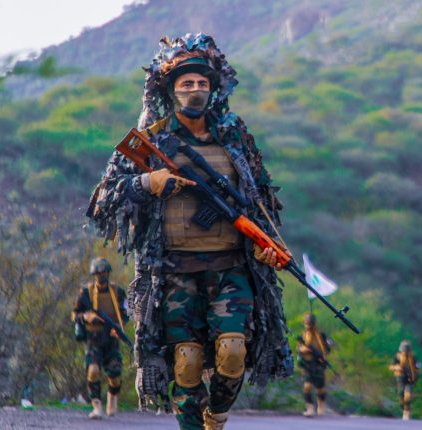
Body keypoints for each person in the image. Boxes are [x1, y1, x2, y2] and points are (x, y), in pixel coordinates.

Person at [86, 33, 292, 430]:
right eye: (186, 83)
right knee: (187, 362)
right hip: (174, 272)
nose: (195, 89)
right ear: (171, 90)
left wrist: (266, 246)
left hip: (230, 267)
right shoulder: (150, 141)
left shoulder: (234, 139)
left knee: (233, 353)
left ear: (213, 89)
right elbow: (102, 201)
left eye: (202, 83)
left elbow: (260, 201)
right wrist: (147, 183)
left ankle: (217, 415)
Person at [71, 258, 128, 419]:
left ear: (108, 273)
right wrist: (86, 317)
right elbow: (75, 314)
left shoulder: (118, 292)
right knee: (93, 370)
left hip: (111, 338)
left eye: (104, 272)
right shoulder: (86, 293)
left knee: (115, 376)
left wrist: (119, 327)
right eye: (98, 273)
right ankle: (96, 406)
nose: (101, 276)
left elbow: (126, 313)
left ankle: (112, 400)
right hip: (94, 338)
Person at [297, 313, 333, 417]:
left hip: (318, 364)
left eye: (310, 323)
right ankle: (309, 408)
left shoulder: (321, 335)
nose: (308, 326)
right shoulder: (303, 335)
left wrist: (322, 355)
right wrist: (303, 350)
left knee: (320, 388)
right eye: (306, 323)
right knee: (307, 386)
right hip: (307, 364)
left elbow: (327, 347)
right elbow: (299, 349)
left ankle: (321, 406)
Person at [389, 340, 421, 420]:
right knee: (401, 394)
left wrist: (416, 374)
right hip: (400, 377)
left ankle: (407, 411)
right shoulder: (397, 357)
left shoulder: (413, 358)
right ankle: (403, 407)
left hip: (410, 378)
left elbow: (418, 367)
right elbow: (391, 366)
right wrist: (397, 367)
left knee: (408, 394)